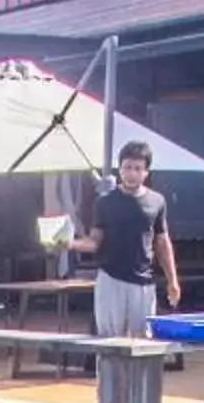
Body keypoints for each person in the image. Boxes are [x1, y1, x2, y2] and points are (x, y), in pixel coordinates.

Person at [69, 141, 181, 339]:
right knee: (109, 341)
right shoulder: (105, 202)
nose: (132, 173)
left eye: (138, 168)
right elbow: (94, 242)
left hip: (144, 281)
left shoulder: (157, 201)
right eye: (127, 167)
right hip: (111, 278)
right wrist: (68, 244)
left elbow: (163, 242)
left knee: (144, 341)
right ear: (119, 169)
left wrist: (172, 280)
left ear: (146, 172)